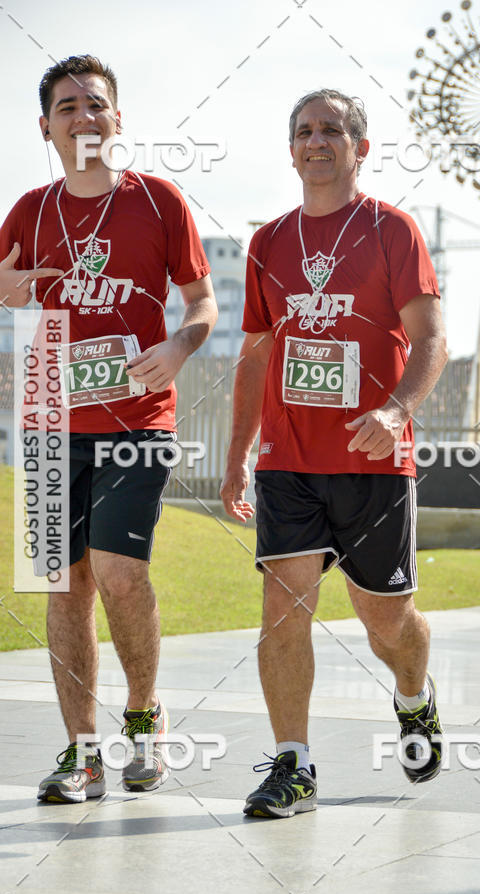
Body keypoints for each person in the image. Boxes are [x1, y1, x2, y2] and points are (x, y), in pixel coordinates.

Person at [220, 88, 448, 818]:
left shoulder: (392, 231)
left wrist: (396, 408)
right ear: (291, 150)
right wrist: (238, 453)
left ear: (360, 147)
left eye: (332, 130)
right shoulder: (268, 243)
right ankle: (295, 765)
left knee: (387, 621)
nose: (316, 141)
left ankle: (414, 696)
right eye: (304, 131)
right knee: (283, 609)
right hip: (289, 462)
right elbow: (255, 356)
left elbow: (433, 337)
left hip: (373, 461)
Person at [0, 55, 217, 802]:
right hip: (48, 417)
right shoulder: (28, 212)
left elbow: (202, 303)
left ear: (117, 120)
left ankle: (142, 720)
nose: (83, 117)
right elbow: (2, 289)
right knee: (64, 585)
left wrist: (179, 345)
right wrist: (3, 290)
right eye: (67, 107)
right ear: (46, 128)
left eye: (96, 104)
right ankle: (79, 753)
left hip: (136, 417)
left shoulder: (159, 204)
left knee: (120, 574)